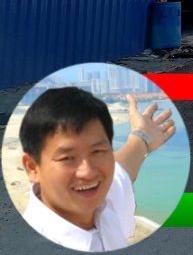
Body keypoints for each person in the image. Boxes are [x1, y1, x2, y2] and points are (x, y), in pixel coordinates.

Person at [19, 87, 177, 252]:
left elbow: (121, 171)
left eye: (97, 151)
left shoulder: (102, 202)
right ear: (32, 167)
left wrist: (142, 136)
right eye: (67, 158)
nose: (87, 172)